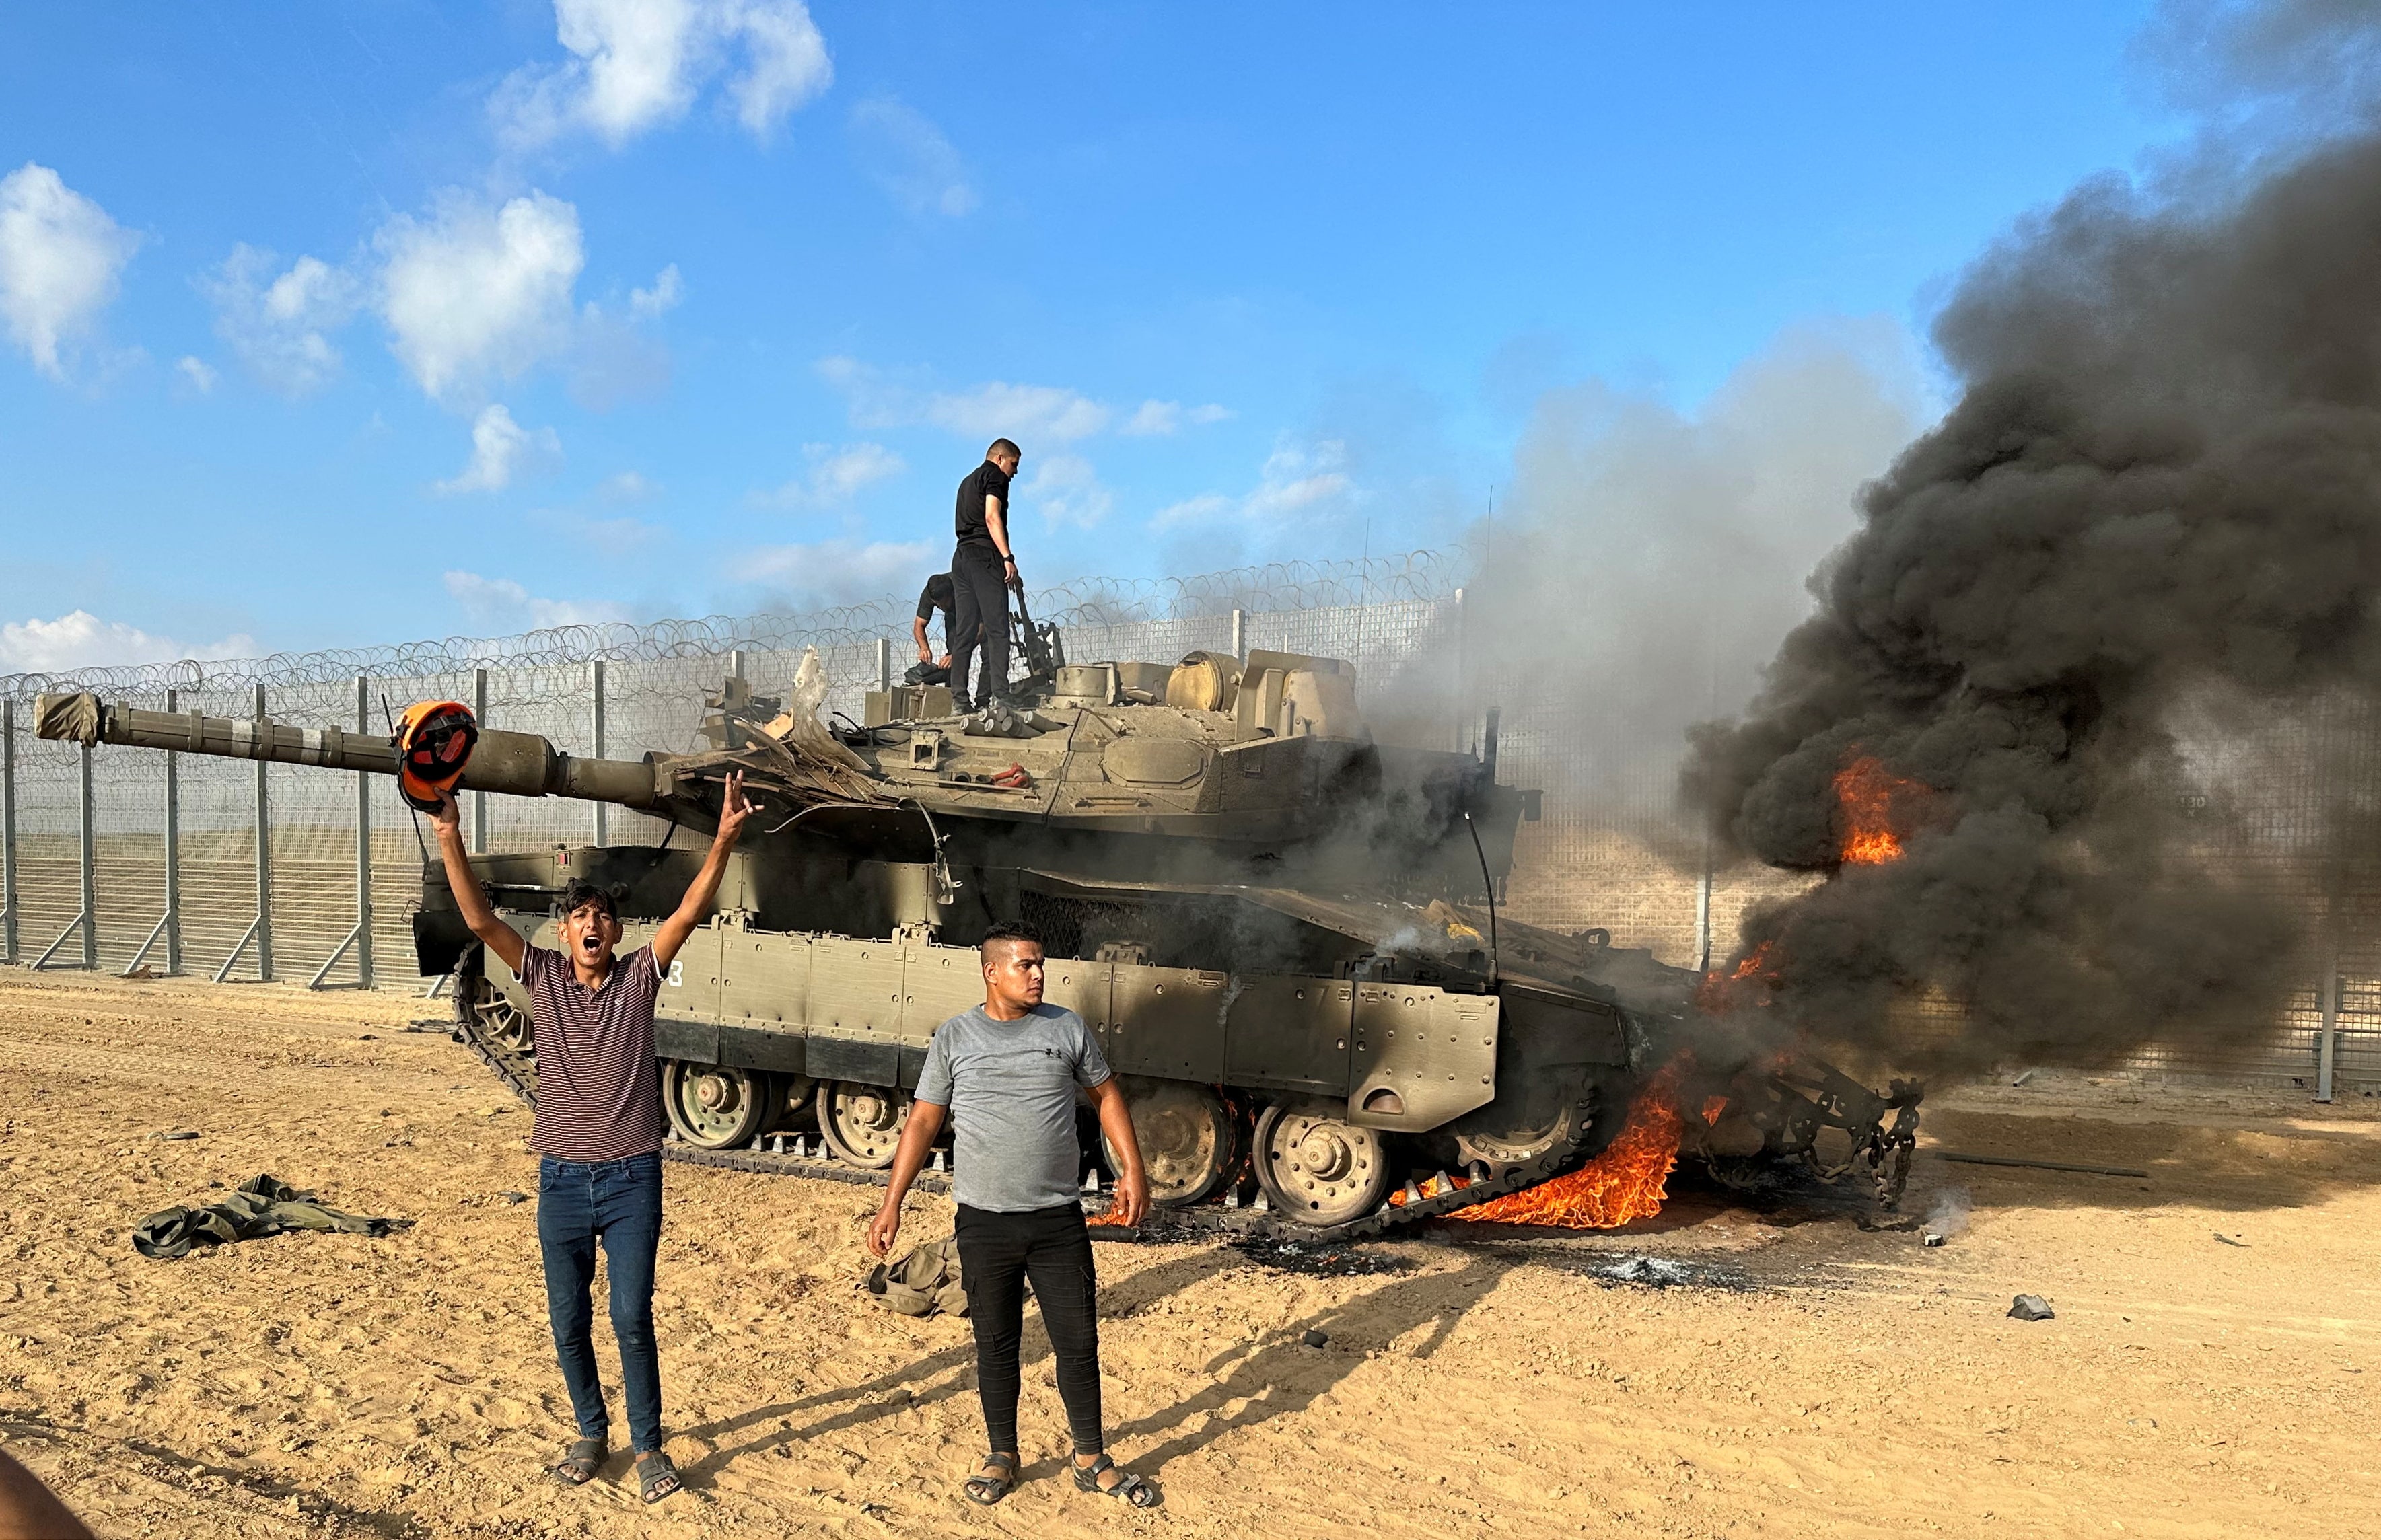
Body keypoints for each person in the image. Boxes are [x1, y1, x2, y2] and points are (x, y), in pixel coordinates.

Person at [430, 772, 754, 1506]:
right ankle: (589, 1432)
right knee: (569, 1321)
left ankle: (649, 1445)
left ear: (616, 933)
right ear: (564, 931)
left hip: (632, 1177)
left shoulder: (640, 977)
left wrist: (725, 837)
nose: (592, 924)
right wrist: (449, 833)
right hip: (562, 1181)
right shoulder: (542, 976)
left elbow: (690, 910)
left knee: (631, 1317)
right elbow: (480, 921)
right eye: (580, 915)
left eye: (602, 916)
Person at [867, 923, 1163, 1508]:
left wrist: (1133, 1168)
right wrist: (892, 1201)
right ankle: (1002, 1453)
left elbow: (1106, 1095)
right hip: (984, 1223)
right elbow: (923, 1119)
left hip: (1057, 1221)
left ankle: (1090, 1457)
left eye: (1040, 963)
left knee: (1077, 1342)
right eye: (1025, 964)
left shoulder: (1066, 1027)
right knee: (997, 1343)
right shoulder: (955, 1036)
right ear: (991, 971)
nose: (1037, 974)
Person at [947, 438, 1023, 714]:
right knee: (998, 629)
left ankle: (959, 700)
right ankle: (1001, 696)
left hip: (961, 558)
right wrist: (1007, 558)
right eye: (1014, 464)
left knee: (965, 631)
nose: (1015, 472)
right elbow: (992, 516)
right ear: (1000, 459)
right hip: (984, 557)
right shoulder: (995, 476)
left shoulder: (967, 482)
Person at [911, 571, 960, 686]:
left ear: (951, 594)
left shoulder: (963, 590)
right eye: (937, 605)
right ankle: (951, 691)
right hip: (952, 613)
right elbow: (919, 624)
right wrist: (924, 648)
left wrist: (957, 655)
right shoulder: (929, 593)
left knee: (988, 652)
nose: (941, 608)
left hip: (981, 613)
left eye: (944, 604)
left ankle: (985, 697)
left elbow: (978, 630)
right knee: (951, 657)